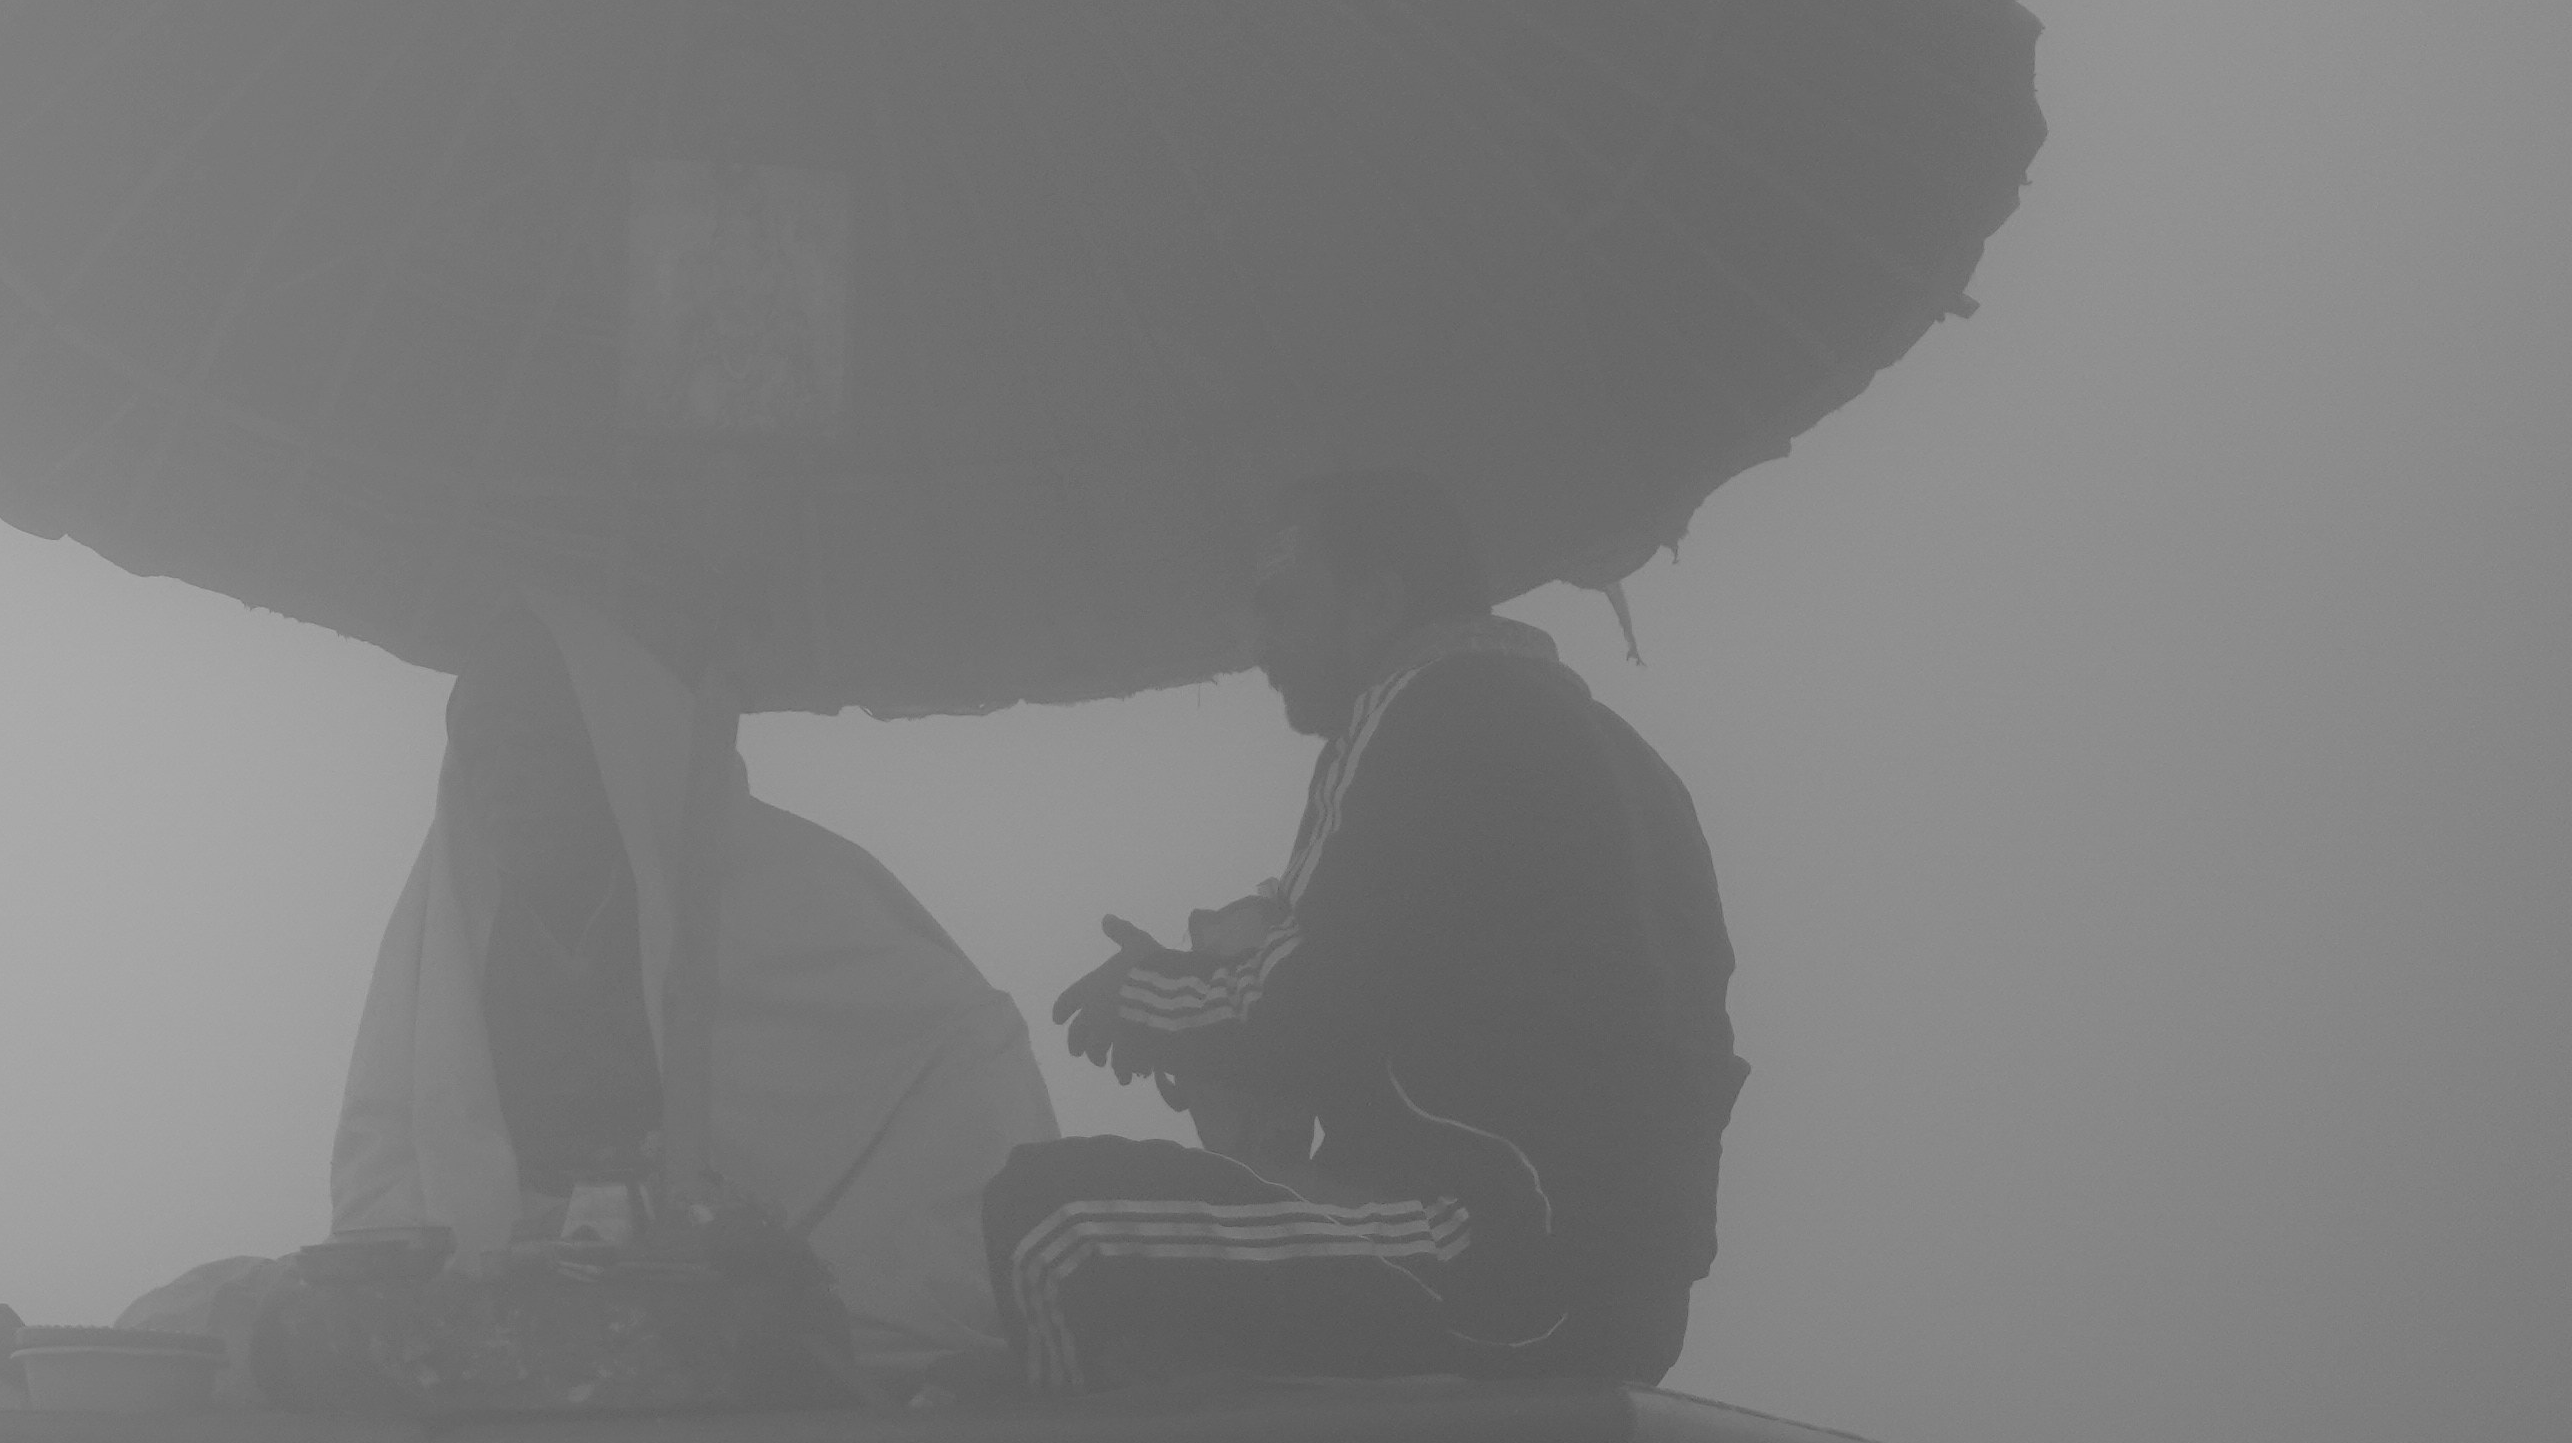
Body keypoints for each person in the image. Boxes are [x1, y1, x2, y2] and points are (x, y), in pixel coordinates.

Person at [985, 470, 1740, 1390]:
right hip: (1626, 1302)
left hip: (1493, 1256)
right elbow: (1419, 1000)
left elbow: (1313, 1006)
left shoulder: (1425, 702)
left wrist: (1143, 992)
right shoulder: (1623, 758)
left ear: (1378, 600)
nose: (1257, 644)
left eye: (1282, 605)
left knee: (1048, 1225)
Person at [326, 588, 1053, 1392]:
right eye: (479, 755)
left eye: (533, 748)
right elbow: (389, 1164)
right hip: (531, 1314)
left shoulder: (787, 893)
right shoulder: (456, 940)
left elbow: (964, 1051)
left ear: (613, 754)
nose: (501, 784)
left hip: (781, 1315)